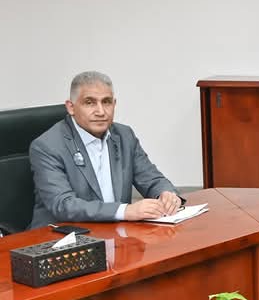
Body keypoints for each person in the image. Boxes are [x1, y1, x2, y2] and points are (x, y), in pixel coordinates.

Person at [28, 71, 183, 229]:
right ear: (71, 107)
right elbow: (63, 205)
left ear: (114, 104)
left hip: (114, 233)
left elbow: (152, 179)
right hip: (60, 237)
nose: (101, 112)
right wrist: (125, 211)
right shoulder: (47, 146)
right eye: (90, 103)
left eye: (106, 102)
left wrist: (166, 194)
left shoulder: (124, 135)